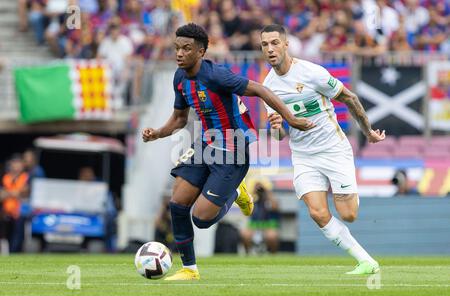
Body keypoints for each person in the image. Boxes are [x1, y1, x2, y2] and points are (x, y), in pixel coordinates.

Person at [142, 23, 315, 281]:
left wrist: (290, 118)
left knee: (200, 219)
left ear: (200, 52)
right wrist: (157, 132)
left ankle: (235, 191)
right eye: (177, 48)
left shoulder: (216, 76)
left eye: (186, 49)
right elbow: (179, 119)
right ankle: (190, 269)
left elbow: (260, 89)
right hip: (205, 144)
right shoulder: (179, 78)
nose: (179, 53)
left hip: (233, 148)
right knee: (177, 204)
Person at [260, 24, 386, 275]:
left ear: (286, 44)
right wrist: (275, 127)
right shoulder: (268, 86)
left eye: (275, 43)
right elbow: (279, 136)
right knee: (318, 213)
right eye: (265, 45)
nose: (270, 49)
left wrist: (367, 131)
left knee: (348, 215)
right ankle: (366, 261)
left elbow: (349, 97)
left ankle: (349, 193)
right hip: (304, 156)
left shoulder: (311, 72)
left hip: (333, 149)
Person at [0, 155, 30, 253]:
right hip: (6, 211)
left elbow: (25, 191)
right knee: (6, 236)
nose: (16, 166)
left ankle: (15, 254)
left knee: (18, 237)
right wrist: (14, 192)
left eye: (18, 163)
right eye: (14, 163)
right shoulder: (5, 177)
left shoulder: (26, 177)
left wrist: (9, 192)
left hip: (20, 212)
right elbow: (1, 194)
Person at [240, 181, 280, 254]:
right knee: (245, 234)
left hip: (268, 225)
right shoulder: (254, 202)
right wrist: (253, 193)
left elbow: (275, 207)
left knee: (272, 236)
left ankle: (273, 254)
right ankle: (247, 253)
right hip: (254, 225)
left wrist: (266, 192)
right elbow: (246, 208)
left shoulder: (269, 201)